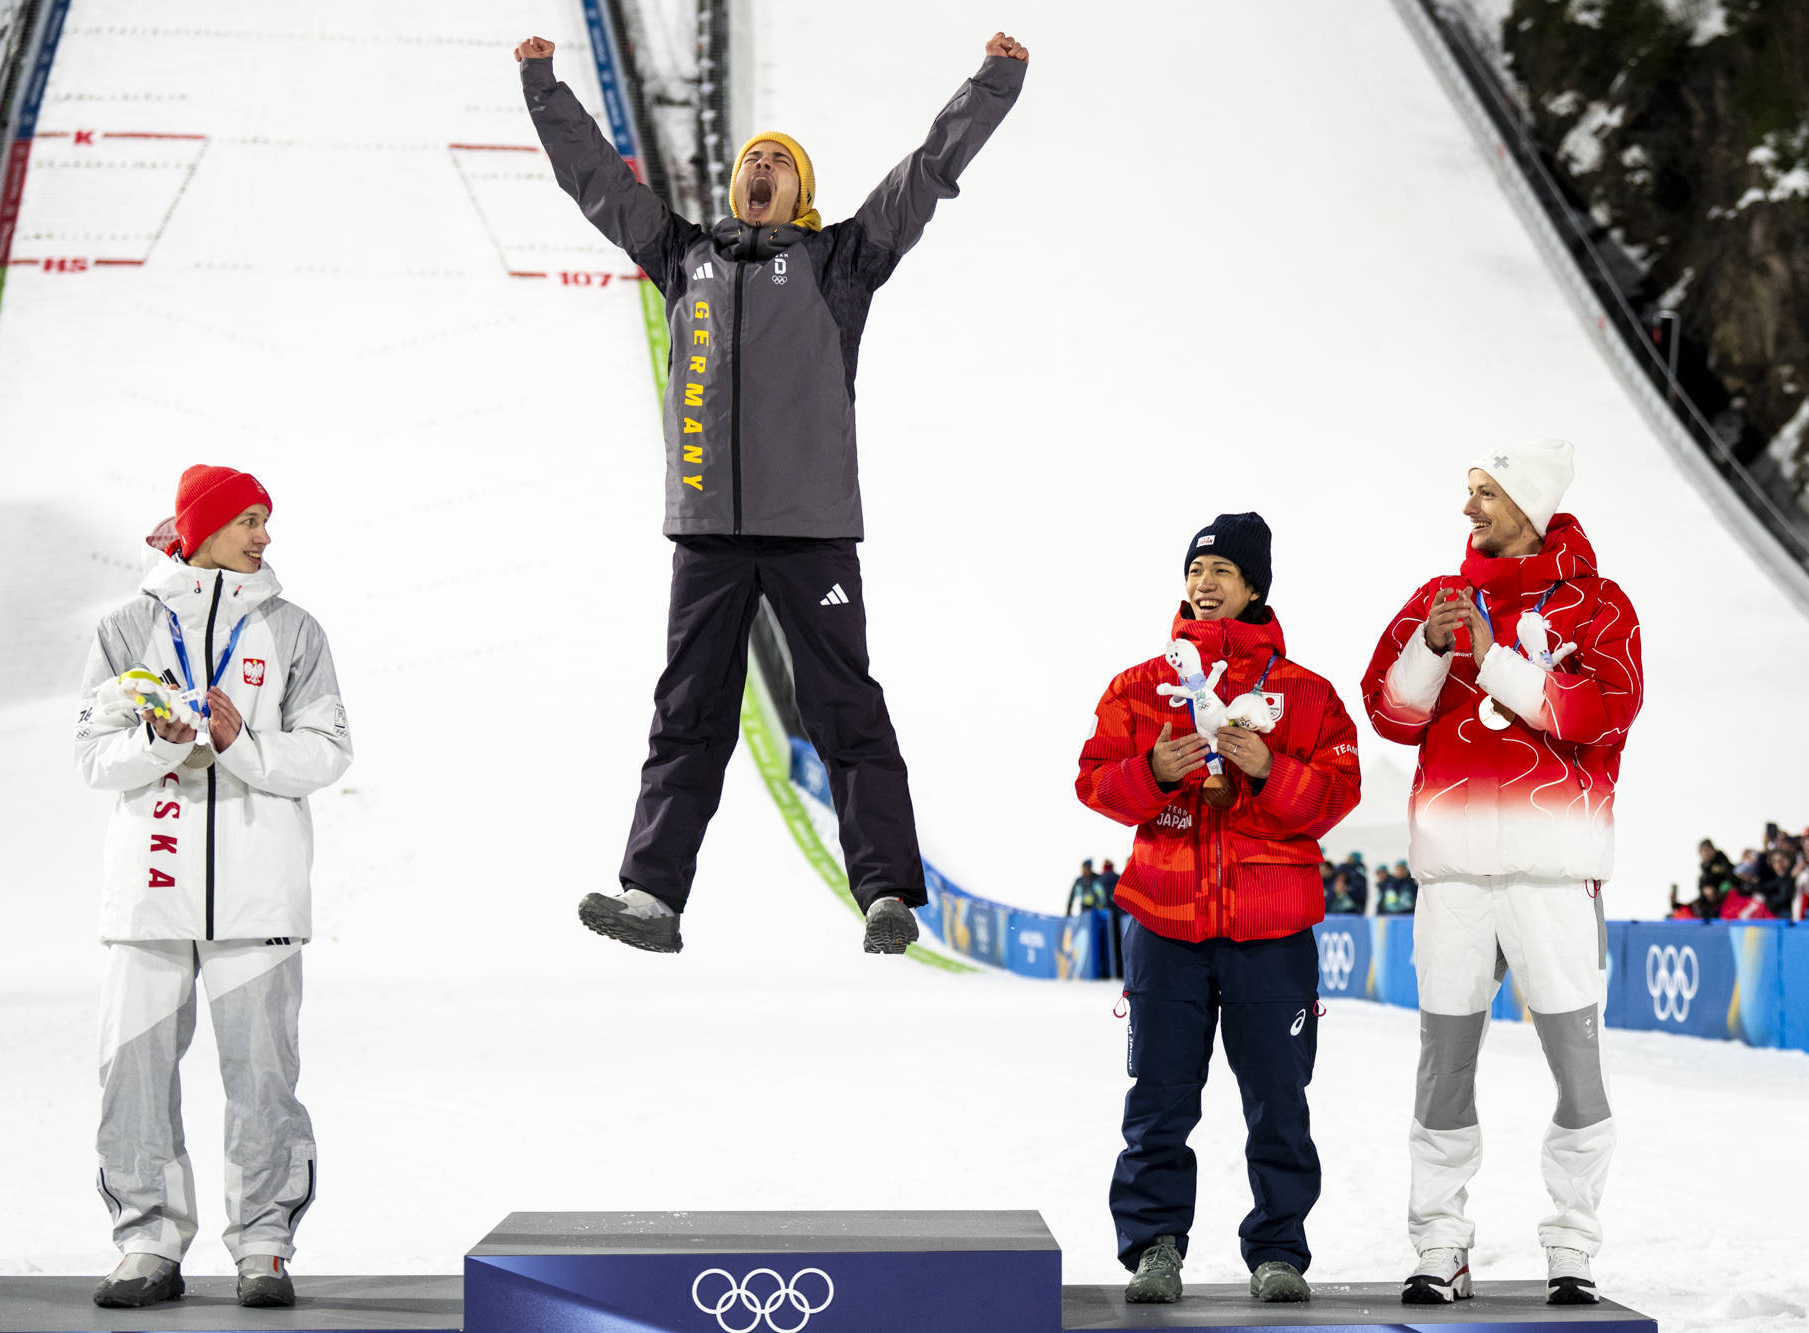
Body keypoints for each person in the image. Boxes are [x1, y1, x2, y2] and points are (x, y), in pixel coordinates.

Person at [514, 31, 1029, 955]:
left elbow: (926, 174)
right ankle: (652, 898)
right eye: (752, 161)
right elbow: (596, 181)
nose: (760, 169)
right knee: (687, 714)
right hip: (708, 534)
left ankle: (885, 892)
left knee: (845, 709)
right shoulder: (682, 257)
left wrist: (992, 82)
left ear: (802, 193)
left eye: (778, 164)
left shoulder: (841, 263)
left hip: (811, 532)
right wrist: (543, 86)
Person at [1360, 440, 1641, 1307]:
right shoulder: (1437, 598)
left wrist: (1490, 658)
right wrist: (1430, 647)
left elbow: (1601, 712)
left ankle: (1574, 1243)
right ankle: (1439, 1242)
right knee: (1442, 1069)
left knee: (1577, 1071)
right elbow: (1388, 712)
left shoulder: (1600, 605)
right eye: (1470, 490)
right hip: (1454, 878)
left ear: (1529, 504)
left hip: (1552, 874)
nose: (1469, 507)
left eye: (1485, 492)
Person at [74, 466, 352, 1310]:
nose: (265, 536)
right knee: (133, 1076)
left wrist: (239, 744)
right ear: (201, 529)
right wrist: (162, 741)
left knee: (264, 1082)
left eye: (265, 520)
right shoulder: (126, 627)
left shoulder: (293, 629)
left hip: (259, 897)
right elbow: (94, 757)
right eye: (248, 521)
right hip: (149, 894)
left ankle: (263, 1245)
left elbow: (329, 749)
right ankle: (147, 1244)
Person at [1076, 513, 1361, 1307]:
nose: (1204, 583)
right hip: (1164, 923)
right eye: (1196, 570)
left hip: (1274, 929)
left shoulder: (1307, 694)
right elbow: (1094, 780)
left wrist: (1270, 767)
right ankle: (1155, 1245)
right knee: (1158, 1098)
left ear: (1255, 586)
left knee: (1279, 1101)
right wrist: (1151, 770)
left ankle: (1278, 1250)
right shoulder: (1138, 686)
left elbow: (1337, 795)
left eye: (1222, 572)